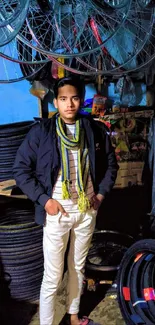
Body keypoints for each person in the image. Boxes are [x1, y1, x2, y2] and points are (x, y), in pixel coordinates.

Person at [13, 77, 118, 325]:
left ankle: (72, 314)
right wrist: (44, 200)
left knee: (77, 267)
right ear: (56, 102)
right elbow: (20, 169)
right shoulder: (42, 132)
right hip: (57, 211)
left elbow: (111, 165)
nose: (69, 104)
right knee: (52, 274)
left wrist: (100, 194)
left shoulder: (94, 130)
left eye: (74, 98)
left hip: (86, 209)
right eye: (63, 99)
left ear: (80, 100)